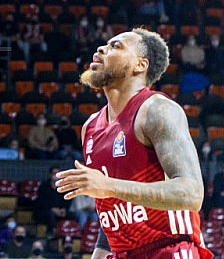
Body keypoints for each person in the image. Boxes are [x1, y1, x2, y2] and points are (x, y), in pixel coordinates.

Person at [55, 29, 212, 259]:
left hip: (169, 249)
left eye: (116, 46)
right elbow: (111, 208)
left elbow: (192, 194)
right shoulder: (90, 127)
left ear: (140, 65)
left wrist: (109, 185)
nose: (101, 49)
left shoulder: (157, 110)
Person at [33, 166, 72, 236]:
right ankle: (50, 234)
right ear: (50, 174)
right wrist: (52, 209)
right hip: (44, 211)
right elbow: (41, 202)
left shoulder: (64, 187)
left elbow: (67, 200)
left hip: (59, 211)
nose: (56, 175)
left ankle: (67, 235)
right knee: (50, 215)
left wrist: (63, 209)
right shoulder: (44, 186)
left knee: (71, 215)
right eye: (54, 173)